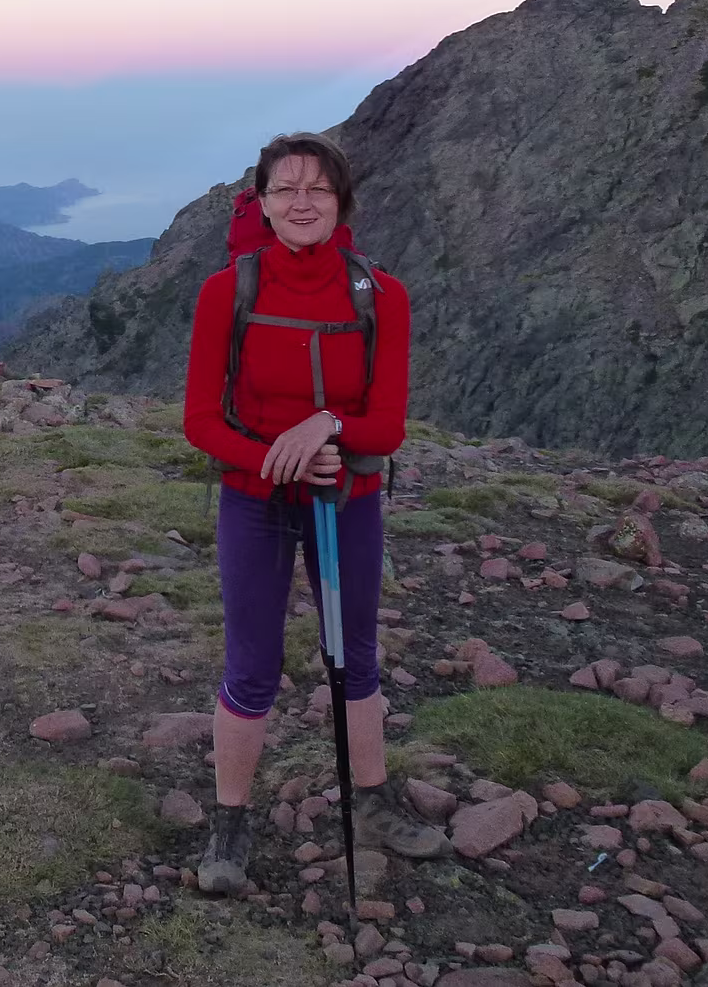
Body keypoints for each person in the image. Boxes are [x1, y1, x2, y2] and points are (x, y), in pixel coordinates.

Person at [182, 131, 451, 896]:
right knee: (251, 665)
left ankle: (373, 804)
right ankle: (229, 824)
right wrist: (283, 457)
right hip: (255, 500)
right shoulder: (227, 292)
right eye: (286, 189)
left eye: (318, 189)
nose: (302, 202)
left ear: (342, 202)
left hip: (347, 500)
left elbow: (386, 427)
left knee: (354, 658)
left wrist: (325, 426)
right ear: (262, 204)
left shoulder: (381, 296)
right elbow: (200, 421)